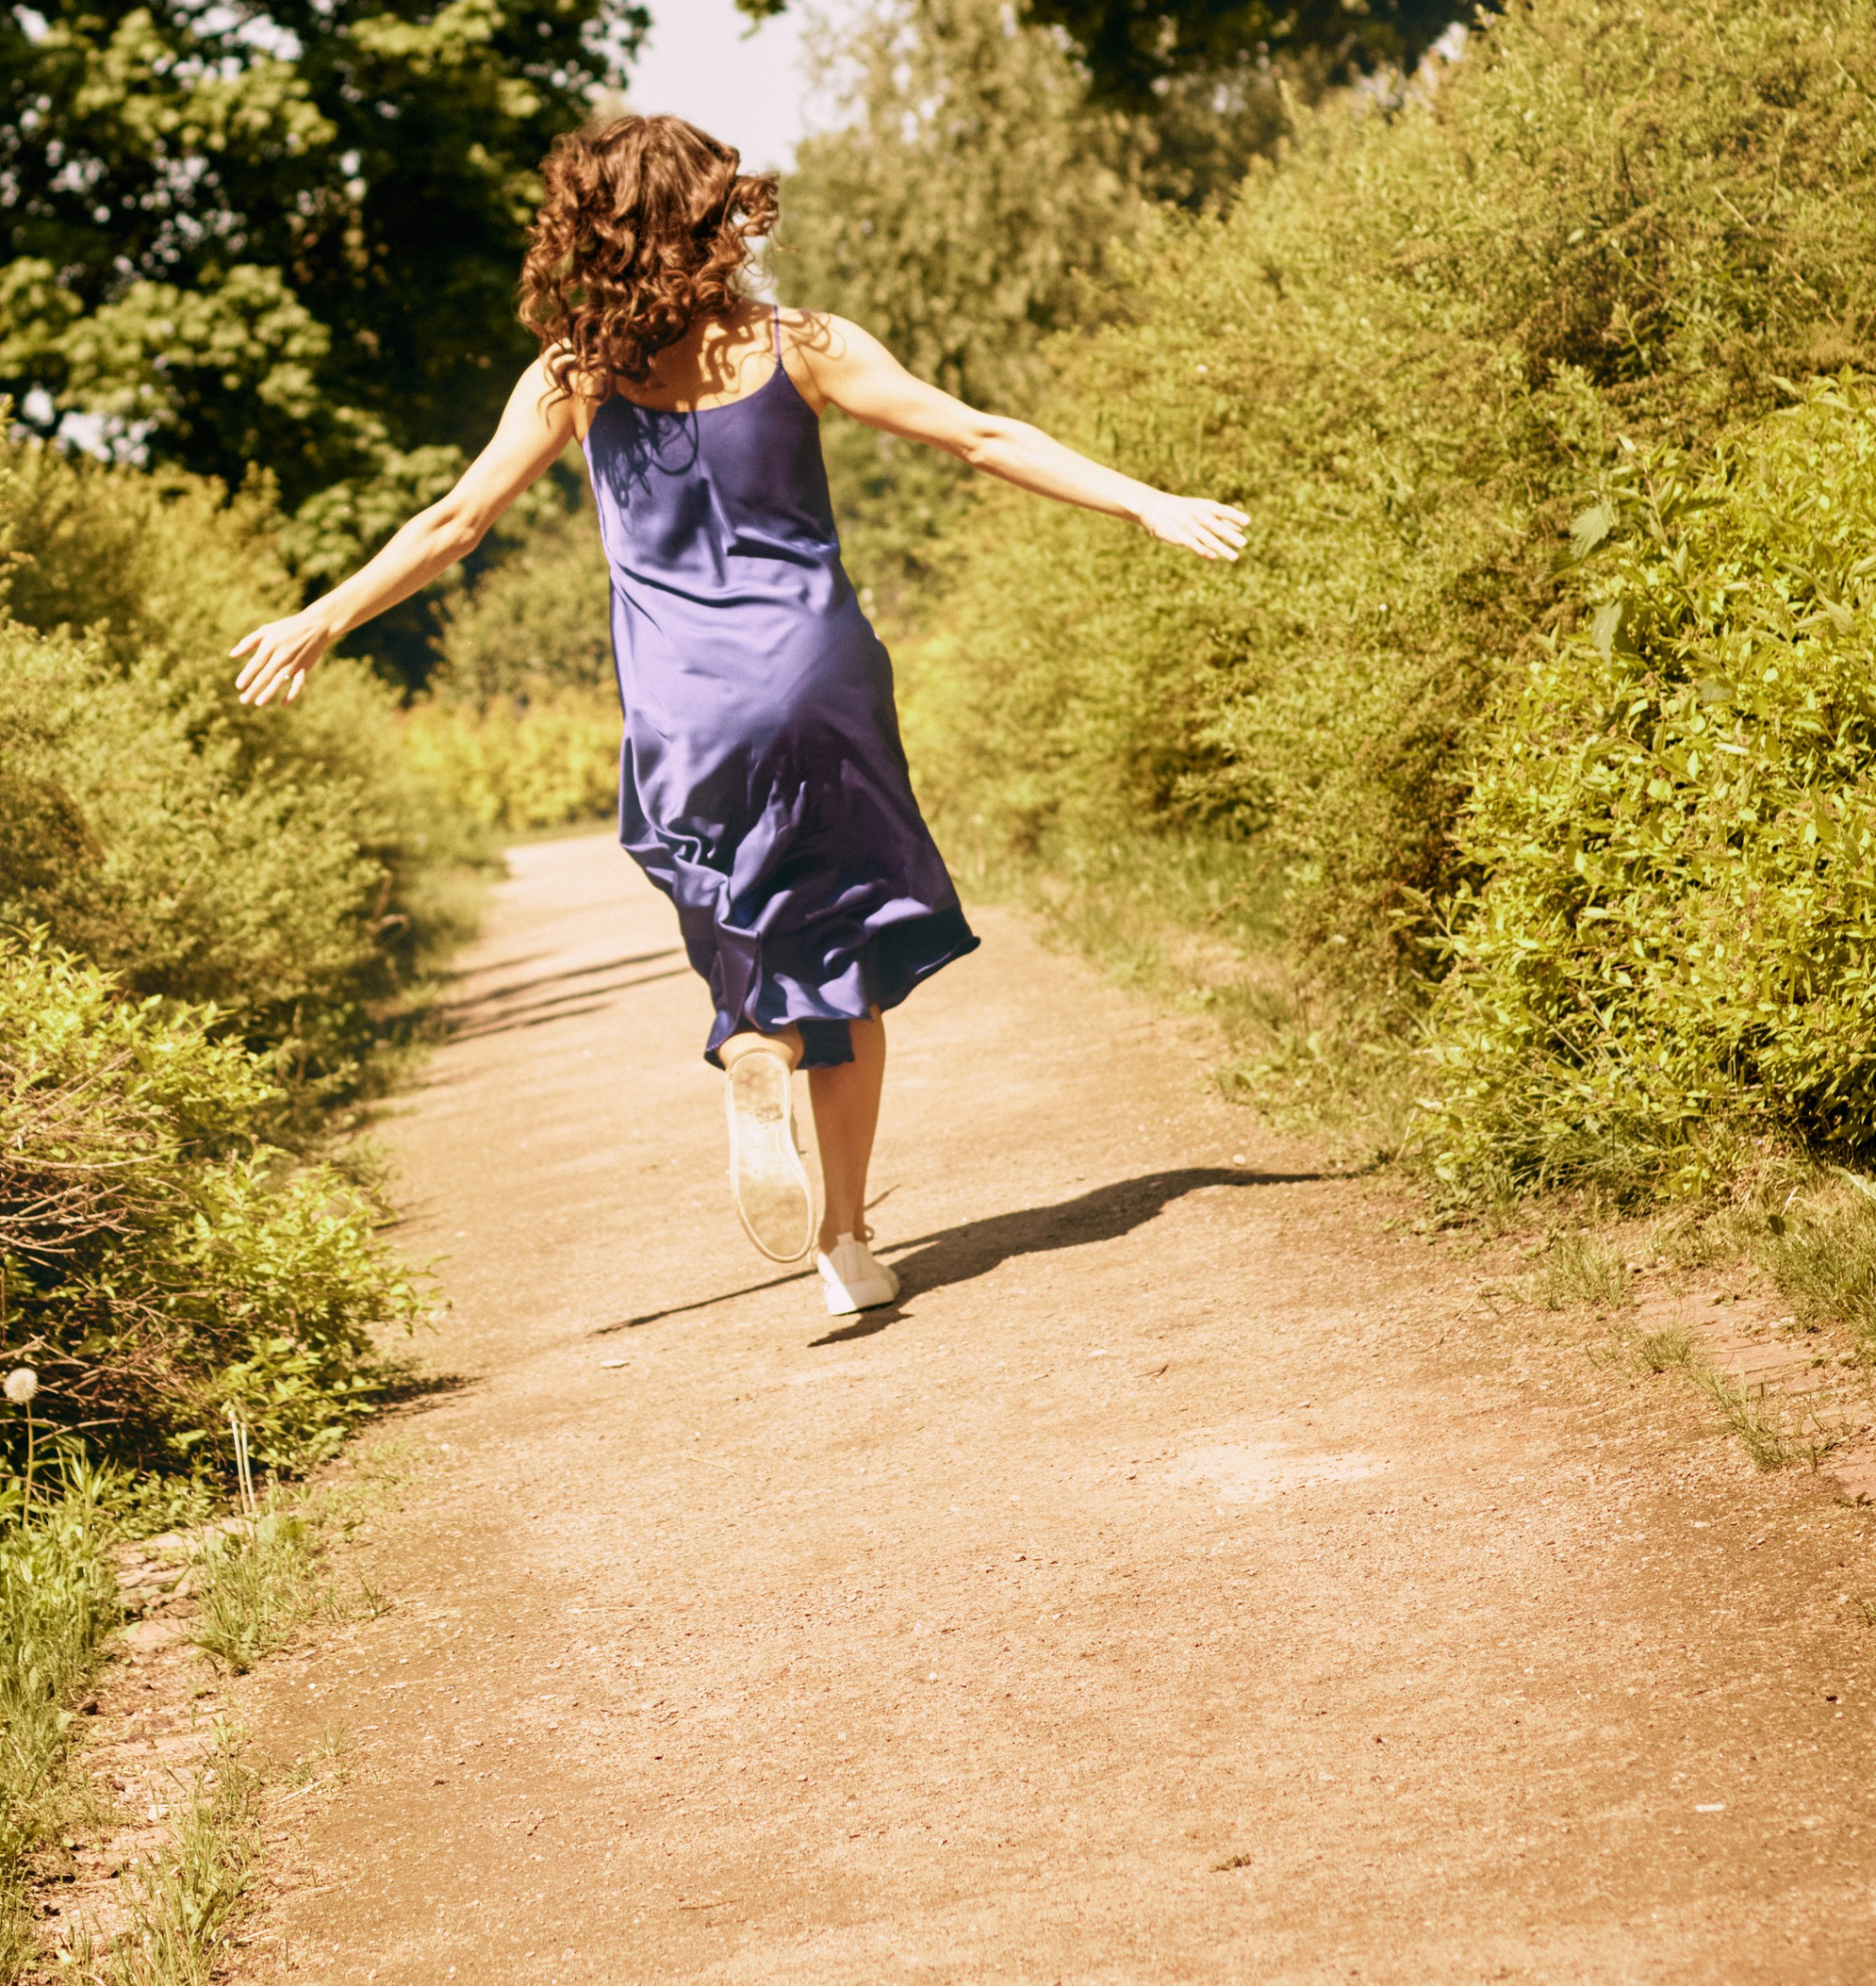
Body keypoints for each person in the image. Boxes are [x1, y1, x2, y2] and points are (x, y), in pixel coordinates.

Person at [232, 114, 1247, 1321]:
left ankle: (756, 1040)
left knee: (753, 927)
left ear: (589, 230)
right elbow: (978, 433)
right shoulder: (801, 344)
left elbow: (453, 523)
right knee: (851, 937)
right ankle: (845, 1241)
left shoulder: (572, 375)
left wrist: (324, 617)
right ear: (715, 220)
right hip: (818, 678)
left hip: (685, 708)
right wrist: (1143, 500)